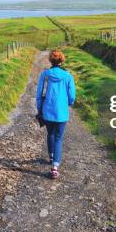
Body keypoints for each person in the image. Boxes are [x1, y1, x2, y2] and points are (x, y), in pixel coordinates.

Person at [36, 49, 76, 179]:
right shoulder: (68, 76)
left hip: (47, 110)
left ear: (50, 60)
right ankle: (54, 167)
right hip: (62, 112)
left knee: (50, 134)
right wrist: (69, 103)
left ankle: (51, 155)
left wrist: (39, 108)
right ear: (62, 60)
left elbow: (39, 94)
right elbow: (72, 96)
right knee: (58, 138)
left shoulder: (45, 75)